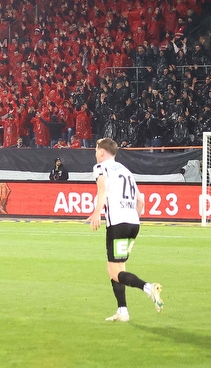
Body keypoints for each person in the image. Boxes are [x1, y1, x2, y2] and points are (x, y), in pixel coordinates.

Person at [85, 137, 163, 322]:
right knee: (117, 267)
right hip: (132, 223)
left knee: (114, 272)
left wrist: (97, 212)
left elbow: (102, 189)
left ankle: (148, 288)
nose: (95, 154)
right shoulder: (126, 170)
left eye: (96, 150)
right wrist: (133, 218)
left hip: (118, 224)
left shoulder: (101, 167)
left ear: (102, 152)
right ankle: (123, 311)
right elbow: (141, 200)